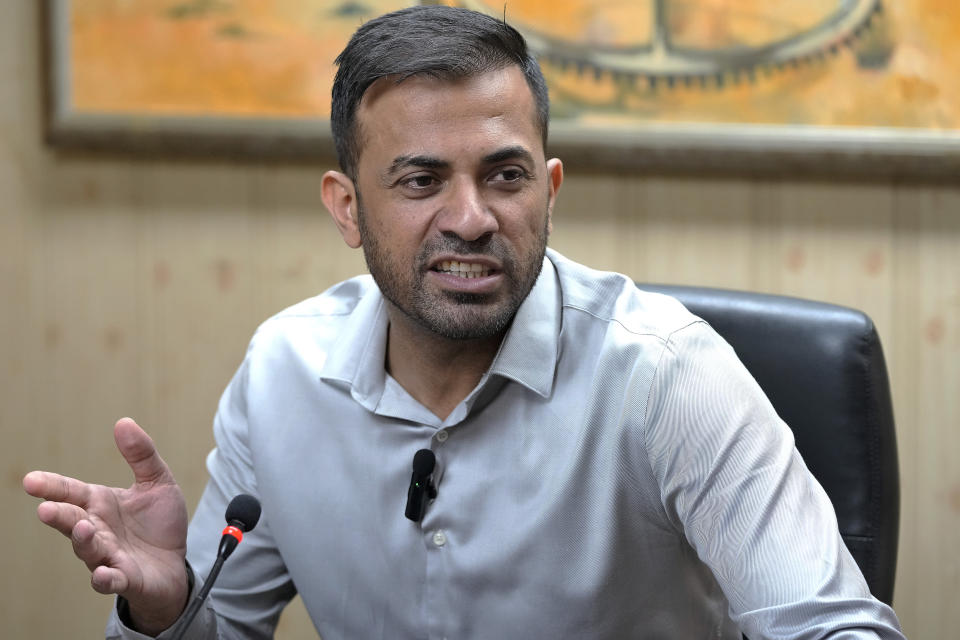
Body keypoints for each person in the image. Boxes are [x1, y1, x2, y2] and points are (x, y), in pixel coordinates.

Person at [23, 5, 905, 639]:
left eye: (506, 176)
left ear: (549, 190)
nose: (473, 217)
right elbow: (224, 629)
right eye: (420, 181)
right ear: (347, 208)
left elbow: (832, 627)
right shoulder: (282, 372)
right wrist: (167, 605)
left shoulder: (668, 377)